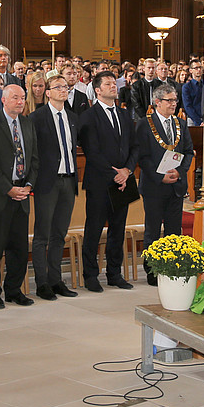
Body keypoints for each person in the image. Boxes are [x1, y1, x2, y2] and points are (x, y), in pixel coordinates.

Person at [0, 84, 39, 308]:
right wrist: (8, 189)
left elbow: (34, 158)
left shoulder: (27, 123)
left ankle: (14, 290)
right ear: (4, 100)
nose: (20, 102)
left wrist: (28, 185)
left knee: (20, 249)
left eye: (23, 98)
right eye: (15, 98)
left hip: (23, 194)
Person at [79, 71, 137, 292]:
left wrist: (128, 170)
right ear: (97, 90)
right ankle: (90, 275)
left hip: (123, 182)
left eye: (115, 83)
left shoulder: (124, 115)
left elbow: (134, 147)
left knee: (118, 229)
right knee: (94, 229)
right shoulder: (89, 116)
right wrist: (115, 174)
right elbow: (92, 151)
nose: (114, 86)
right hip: (99, 182)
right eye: (108, 84)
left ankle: (114, 273)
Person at [136, 84, 193, 286]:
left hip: (176, 184)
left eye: (175, 100)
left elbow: (188, 152)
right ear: (157, 102)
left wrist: (180, 172)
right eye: (169, 100)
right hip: (154, 185)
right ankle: (152, 270)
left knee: (174, 229)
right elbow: (142, 156)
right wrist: (159, 176)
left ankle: (171, 266)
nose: (173, 104)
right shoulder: (144, 124)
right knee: (152, 229)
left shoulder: (181, 124)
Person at [29, 74, 80, 300]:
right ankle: (42, 283)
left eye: (66, 87)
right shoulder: (37, 117)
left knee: (60, 233)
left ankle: (56, 279)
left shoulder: (71, 117)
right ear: (47, 92)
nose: (63, 90)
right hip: (47, 183)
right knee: (42, 235)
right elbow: (33, 152)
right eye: (58, 87)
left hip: (68, 181)